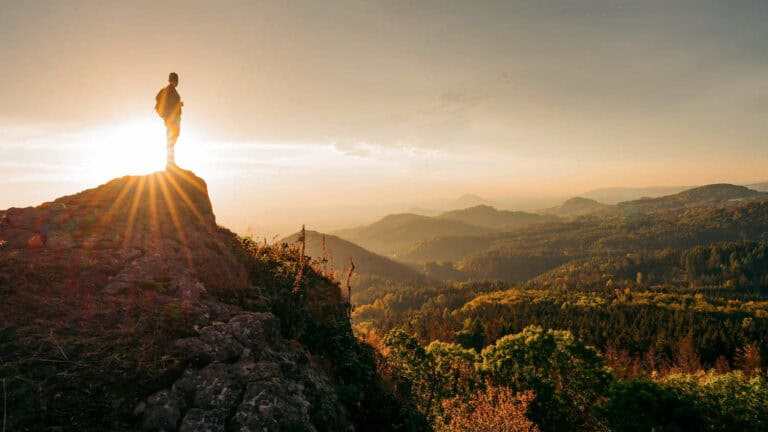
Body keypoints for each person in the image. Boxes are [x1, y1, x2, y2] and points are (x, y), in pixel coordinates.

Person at [155, 72, 184, 167]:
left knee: (172, 139)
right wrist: (178, 106)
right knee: (171, 140)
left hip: (171, 119)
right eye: (176, 80)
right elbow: (170, 105)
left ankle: (170, 162)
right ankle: (170, 163)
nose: (177, 82)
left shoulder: (169, 90)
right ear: (174, 80)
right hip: (172, 120)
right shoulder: (170, 91)